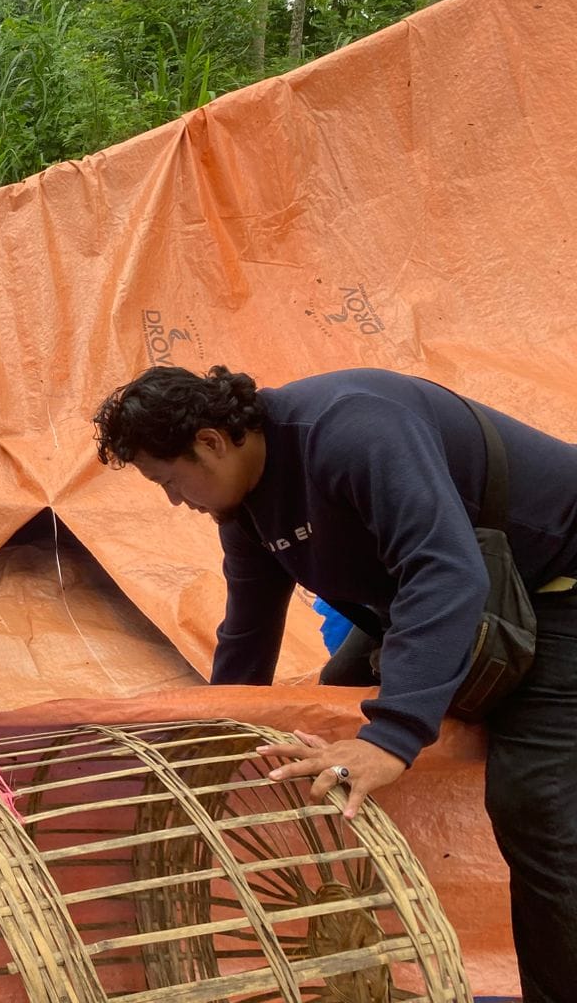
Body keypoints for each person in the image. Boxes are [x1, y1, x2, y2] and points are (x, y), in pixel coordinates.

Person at [92, 364, 577, 1002]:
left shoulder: (350, 428)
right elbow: (248, 633)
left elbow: (445, 570)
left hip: (559, 581)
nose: (174, 500)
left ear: (211, 442)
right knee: (328, 713)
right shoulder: (246, 510)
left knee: (533, 800)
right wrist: (206, 742)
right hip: (452, 588)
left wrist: (392, 737)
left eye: (168, 480)